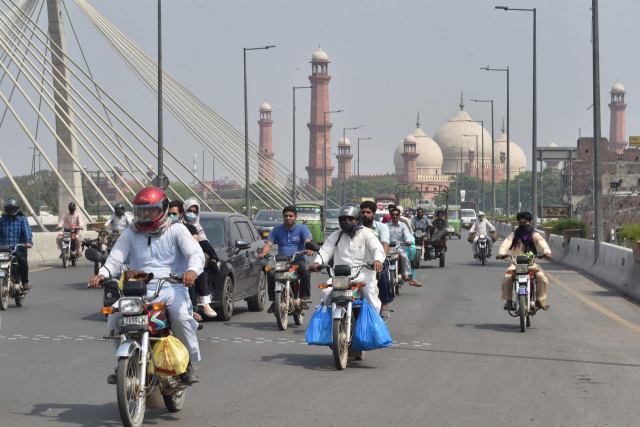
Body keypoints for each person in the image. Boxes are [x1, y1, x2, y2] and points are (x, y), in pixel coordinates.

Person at [87, 187, 204, 385]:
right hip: (137, 289)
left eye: (150, 210)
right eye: (141, 210)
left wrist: (192, 271)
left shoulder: (177, 230)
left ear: (163, 209)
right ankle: (123, 362)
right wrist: (102, 274)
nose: (145, 214)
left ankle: (187, 364)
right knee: (115, 316)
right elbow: (115, 259)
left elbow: (195, 254)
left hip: (170, 287)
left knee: (181, 316)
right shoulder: (131, 233)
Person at [309, 204, 385, 312]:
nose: (346, 222)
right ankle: (326, 324)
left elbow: (377, 248)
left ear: (357, 219)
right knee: (325, 293)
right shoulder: (336, 236)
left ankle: (373, 325)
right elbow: (325, 251)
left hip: (363, 276)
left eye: (351, 219)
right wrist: (317, 263)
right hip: (340, 278)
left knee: (370, 294)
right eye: (343, 219)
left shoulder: (367, 234)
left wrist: (378, 260)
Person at [259, 206, 313, 313]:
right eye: (286, 216)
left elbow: (307, 241)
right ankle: (274, 302)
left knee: (306, 270)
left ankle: (303, 299)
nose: (288, 218)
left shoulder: (302, 229)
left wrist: (309, 248)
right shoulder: (276, 229)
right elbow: (269, 244)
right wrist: (263, 253)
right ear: (283, 217)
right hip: (282, 260)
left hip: (298, 259)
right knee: (270, 272)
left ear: (295, 217)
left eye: (291, 216)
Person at [496, 211, 552, 311]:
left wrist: (547, 252)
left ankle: (540, 299)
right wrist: (501, 253)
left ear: (530, 223)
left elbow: (542, 243)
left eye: (525, 223)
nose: (522, 225)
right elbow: (505, 244)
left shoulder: (535, 234)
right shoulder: (514, 235)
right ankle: (508, 301)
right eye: (520, 223)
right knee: (507, 277)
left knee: (541, 277)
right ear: (518, 224)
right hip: (515, 264)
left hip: (531, 264)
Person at [183, 199, 219, 318]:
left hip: (191, 258)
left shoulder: (197, 228)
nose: (192, 213)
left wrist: (213, 257)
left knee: (200, 272)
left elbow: (204, 244)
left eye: (194, 211)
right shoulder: (177, 226)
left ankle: (203, 303)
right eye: (189, 210)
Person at [360, 200, 393, 318]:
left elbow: (385, 243)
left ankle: (384, 304)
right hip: (358, 260)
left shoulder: (382, 227)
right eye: (363, 212)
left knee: (382, 275)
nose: (365, 215)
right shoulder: (356, 227)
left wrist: (380, 260)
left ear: (374, 214)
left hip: (377, 260)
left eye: (368, 212)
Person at [0, 198, 33, 290]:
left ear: (17, 208)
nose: (11, 210)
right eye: (9, 208)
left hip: (19, 248)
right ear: (5, 209)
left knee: (22, 260)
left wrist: (28, 242)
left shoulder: (22, 220)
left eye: (13, 208)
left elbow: (27, 232)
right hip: (4, 249)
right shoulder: (2, 220)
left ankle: (25, 282)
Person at [387, 207, 422, 287]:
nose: (395, 216)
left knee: (405, 257)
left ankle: (406, 275)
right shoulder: (386, 226)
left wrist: (408, 241)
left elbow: (407, 234)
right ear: (390, 216)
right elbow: (383, 235)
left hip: (400, 247)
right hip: (388, 248)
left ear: (399, 215)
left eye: (396, 215)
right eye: (393, 215)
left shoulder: (403, 225)